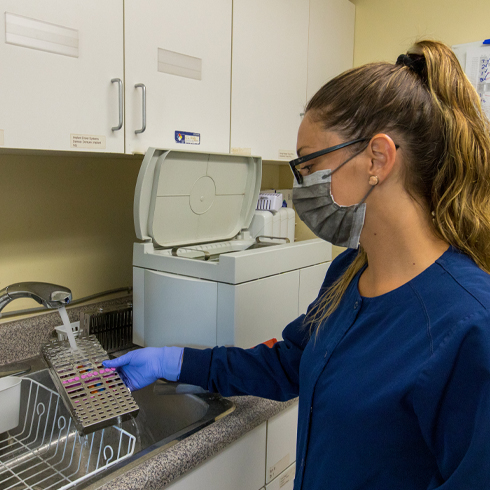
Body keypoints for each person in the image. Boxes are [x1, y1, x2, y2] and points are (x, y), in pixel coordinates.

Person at [104, 40, 490, 489]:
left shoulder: (469, 325)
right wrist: (176, 361)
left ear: (377, 159)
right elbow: (293, 363)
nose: (300, 184)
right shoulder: (348, 274)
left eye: (309, 163)